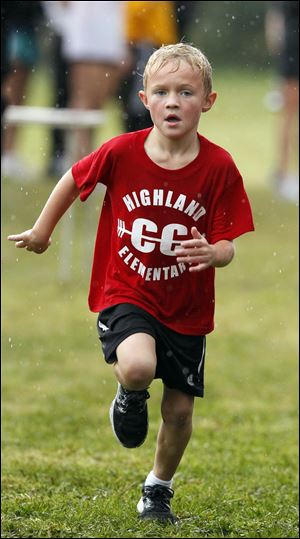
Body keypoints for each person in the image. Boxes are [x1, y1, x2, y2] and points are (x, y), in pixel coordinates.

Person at [8, 43, 255, 523]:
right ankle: (130, 392)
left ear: (208, 101)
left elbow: (229, 243)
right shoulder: (122, 151)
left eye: (186, 92)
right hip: (127, 290)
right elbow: (72, 179)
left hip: (186, 308)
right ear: (144, 98)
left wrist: (214, 252)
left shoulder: (219, 167)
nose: (172, 102)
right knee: (139, 366)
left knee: (180, 413)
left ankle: (157, 489)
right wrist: (43, 230)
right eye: (161, 91)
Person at [265, 1, 299, 202]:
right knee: (289, 114)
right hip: (293, 51)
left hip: (291, 51)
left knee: (289, 115)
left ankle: (284, 173)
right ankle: (283, 173)